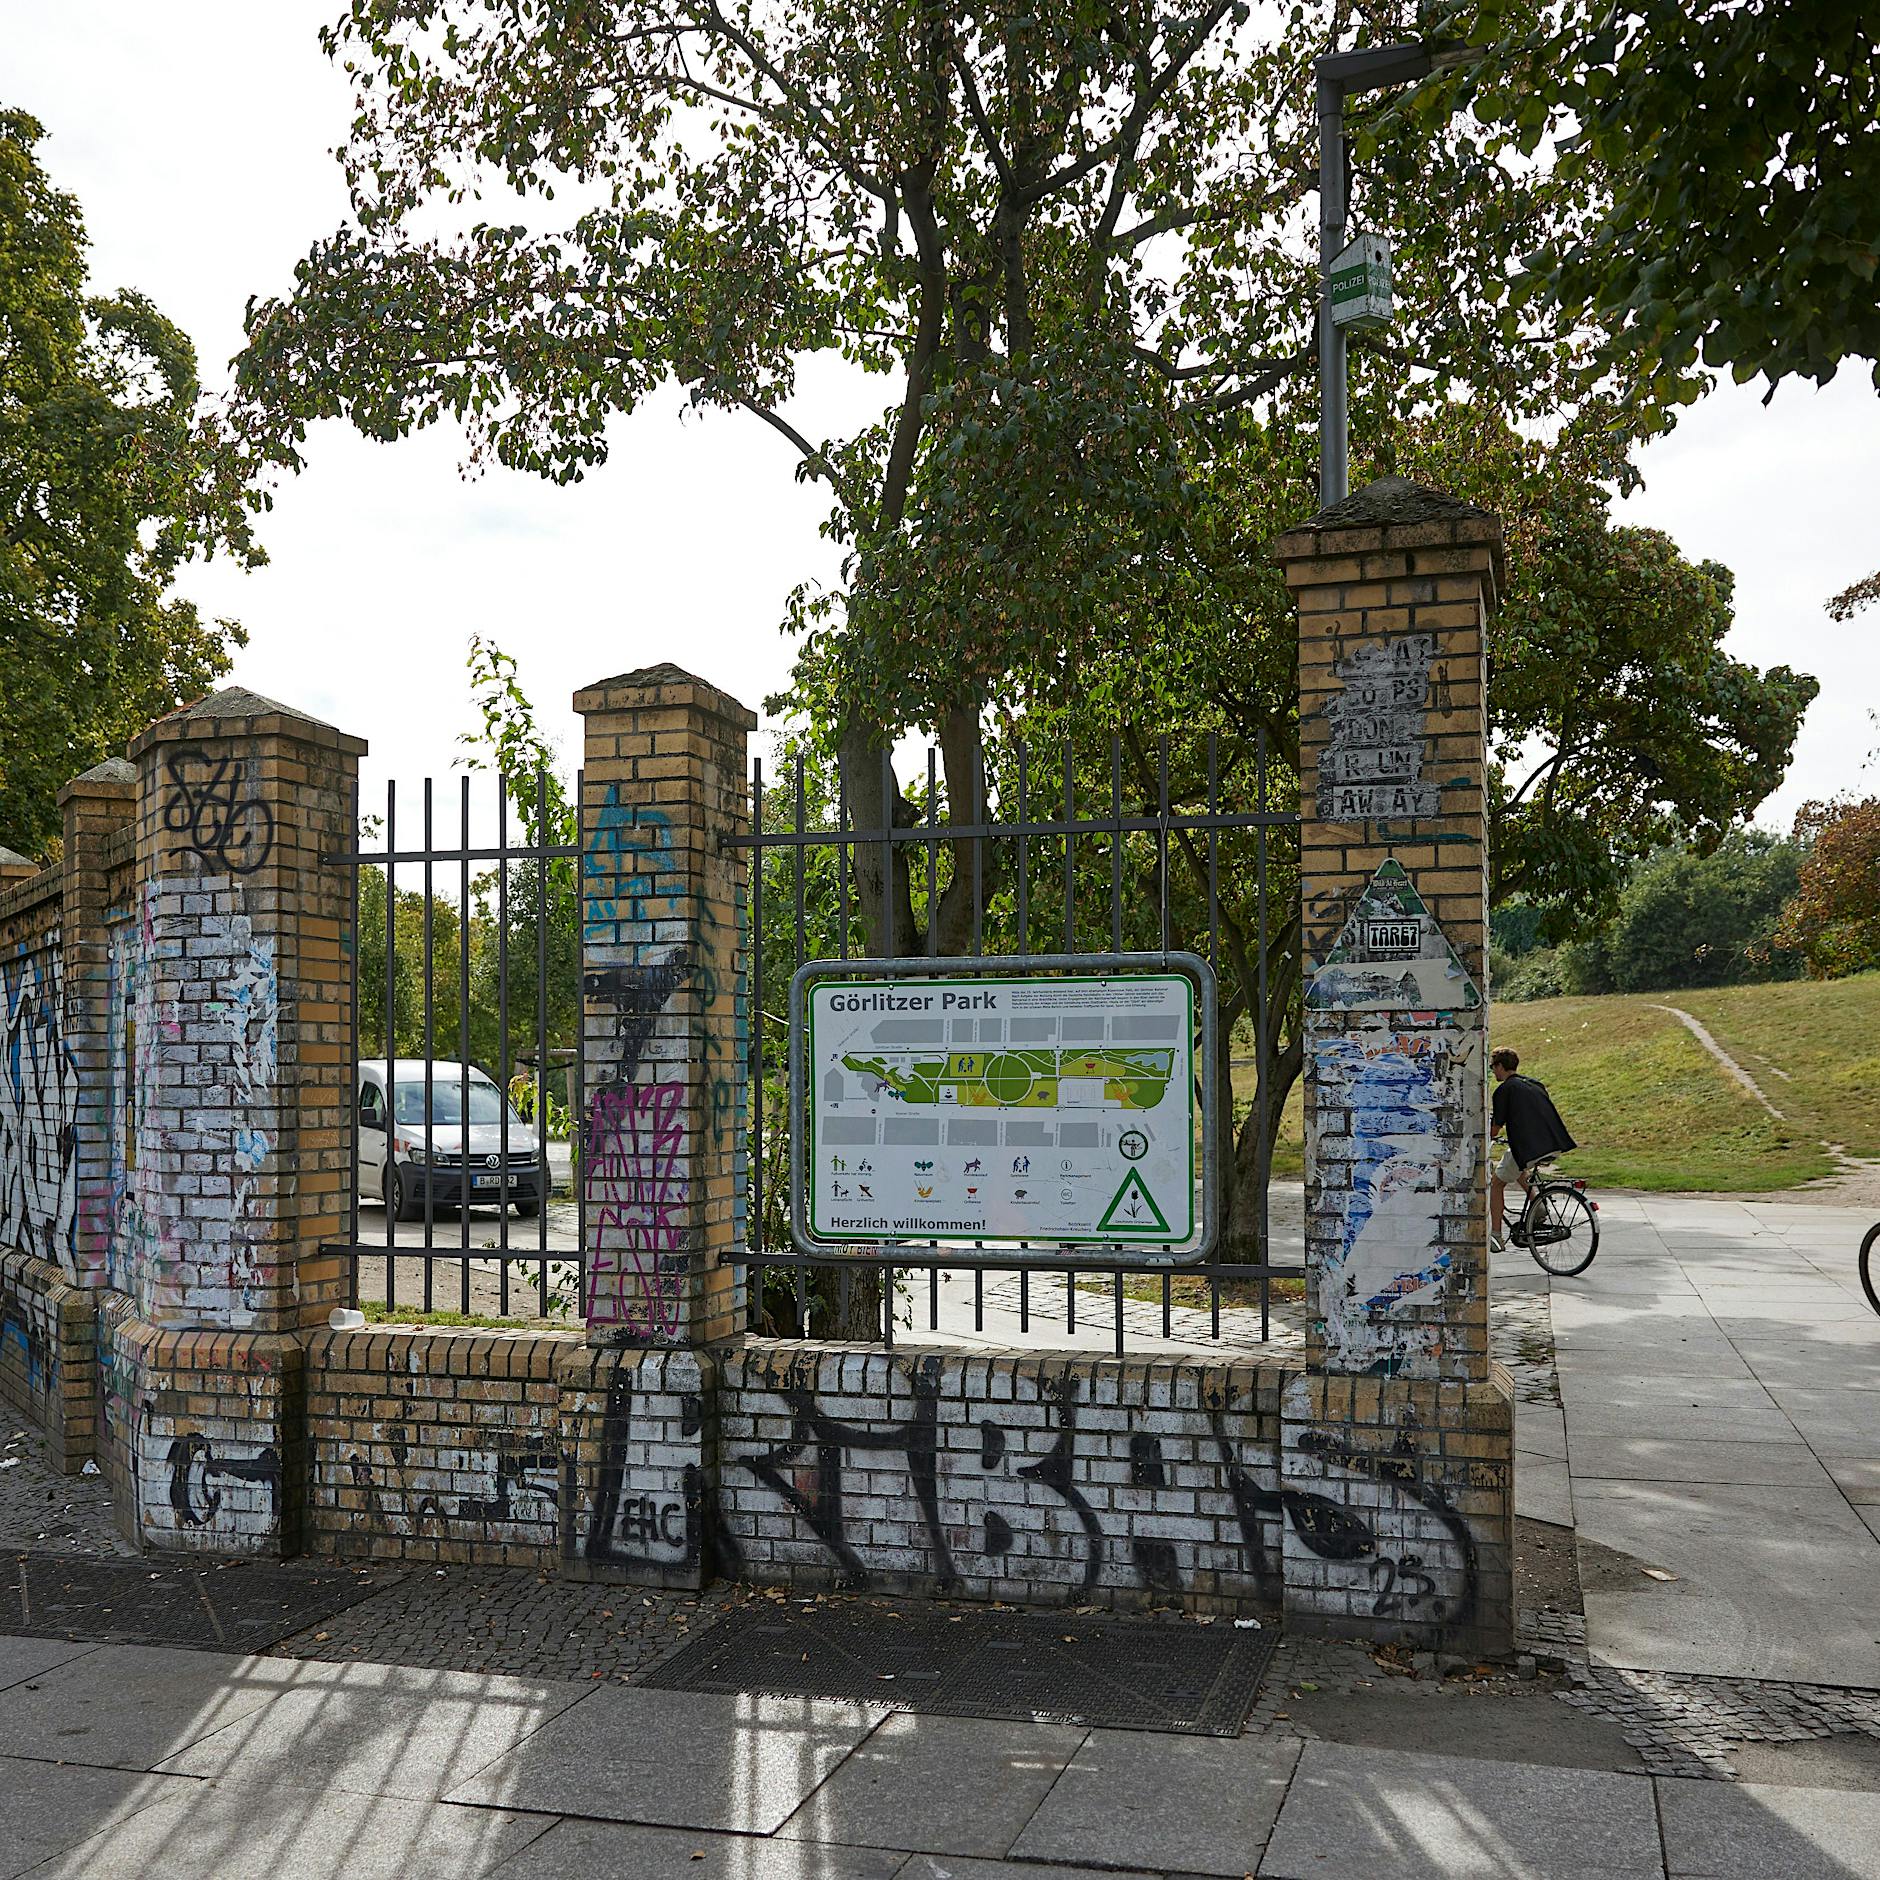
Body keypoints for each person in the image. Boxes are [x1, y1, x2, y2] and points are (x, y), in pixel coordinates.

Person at [1489, 1047, 1577, 1251]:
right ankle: (1538, 1206)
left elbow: (1494, 1130)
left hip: (1529, 1147)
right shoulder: (1535, 1084)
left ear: (1501, 1066)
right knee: (1518, 1167)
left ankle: (1496, 1237)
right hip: (1552, 1143)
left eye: (1493, 1067)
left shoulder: (1503, 1090)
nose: (1493, 1072)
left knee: (1496, 1184)